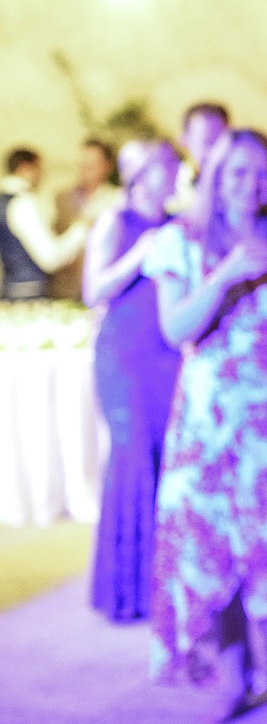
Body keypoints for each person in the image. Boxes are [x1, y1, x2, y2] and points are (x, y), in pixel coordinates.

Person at [143, 128, 267, 722]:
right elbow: (176, 330)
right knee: (212, 546)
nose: (253, 185)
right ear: (217, 177)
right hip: (207, 422)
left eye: (263, 173)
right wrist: (224, 274)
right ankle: (234, 674)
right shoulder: (184, 240)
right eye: (239, 173)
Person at [85, 140, 182, 622]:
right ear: (143, 174)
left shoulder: (179, 226)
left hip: (168, 355)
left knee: (165, 459)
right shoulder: (115, 221)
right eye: (168, 167)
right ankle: (125, 590)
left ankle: (161, 585)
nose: (176, 174)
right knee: (132, 458)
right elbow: (91, 290)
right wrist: (139, 254)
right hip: (124, 356)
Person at [0, 148, 94, 299]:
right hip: (31, 294)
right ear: (26, 168)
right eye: (39, 169)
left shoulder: (4, 201)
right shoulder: (24, 203)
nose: (42, 176)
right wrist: (81, 229)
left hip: (10, 289)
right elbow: (50, 258)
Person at [50, 138, 121, 300]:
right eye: (82, 164)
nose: (85, 170)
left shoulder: (116, 199)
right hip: (64, 289)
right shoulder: (61, 198)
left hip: (100, 287)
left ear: (106, 167)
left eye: (91, 166)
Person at [169, 102, 230, 214]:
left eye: (220, 144)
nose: (214, 153)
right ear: (184, 141)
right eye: (206, 143)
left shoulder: (243, 191)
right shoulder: (169, 191)